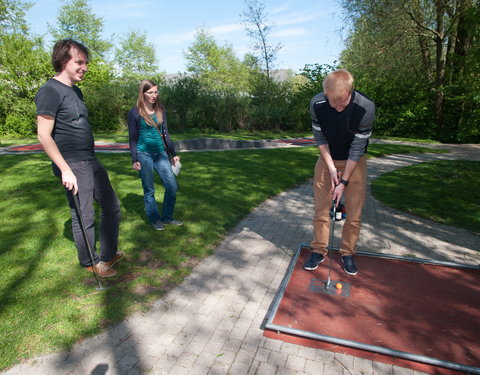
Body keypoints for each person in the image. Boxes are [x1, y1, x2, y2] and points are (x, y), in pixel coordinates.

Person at [35, 39, 123, 277]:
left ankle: (108, 254)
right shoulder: (49, 91)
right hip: (72, 163)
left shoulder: (75, 91)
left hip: (90, 159)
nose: (85, 67)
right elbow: (43, 134)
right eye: (79, 62)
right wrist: (64, 169)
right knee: (84, 215)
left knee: (112, 207)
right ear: (63, 60)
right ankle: (90, 262)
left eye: (86, 62)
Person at [304, 69, 375, 276]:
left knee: (354, 212)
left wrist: (343, 182)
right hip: (327, 159)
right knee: (321, 208)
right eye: (332, 103)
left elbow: (357, 148)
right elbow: (320, 140)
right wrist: (332, 168)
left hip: (355, 160)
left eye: (342, 103)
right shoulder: (317, 104)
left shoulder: (365, 107)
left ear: (351, 92)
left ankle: (347, 253)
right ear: (326, 94)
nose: (337, 108)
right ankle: (319, 250)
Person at [127, 79, 182, 231]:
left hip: (161, 154)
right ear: (143, 93)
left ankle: (167, 217)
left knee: (172, 186)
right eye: (150, 92)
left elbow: (165, 134)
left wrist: (173, 153)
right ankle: (154, 219)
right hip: (143, 154)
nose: (154, 95)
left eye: (156, 92)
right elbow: (132, 138)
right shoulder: (135, 112)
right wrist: (134, 159)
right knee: (149, 189)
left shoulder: (160, 109)